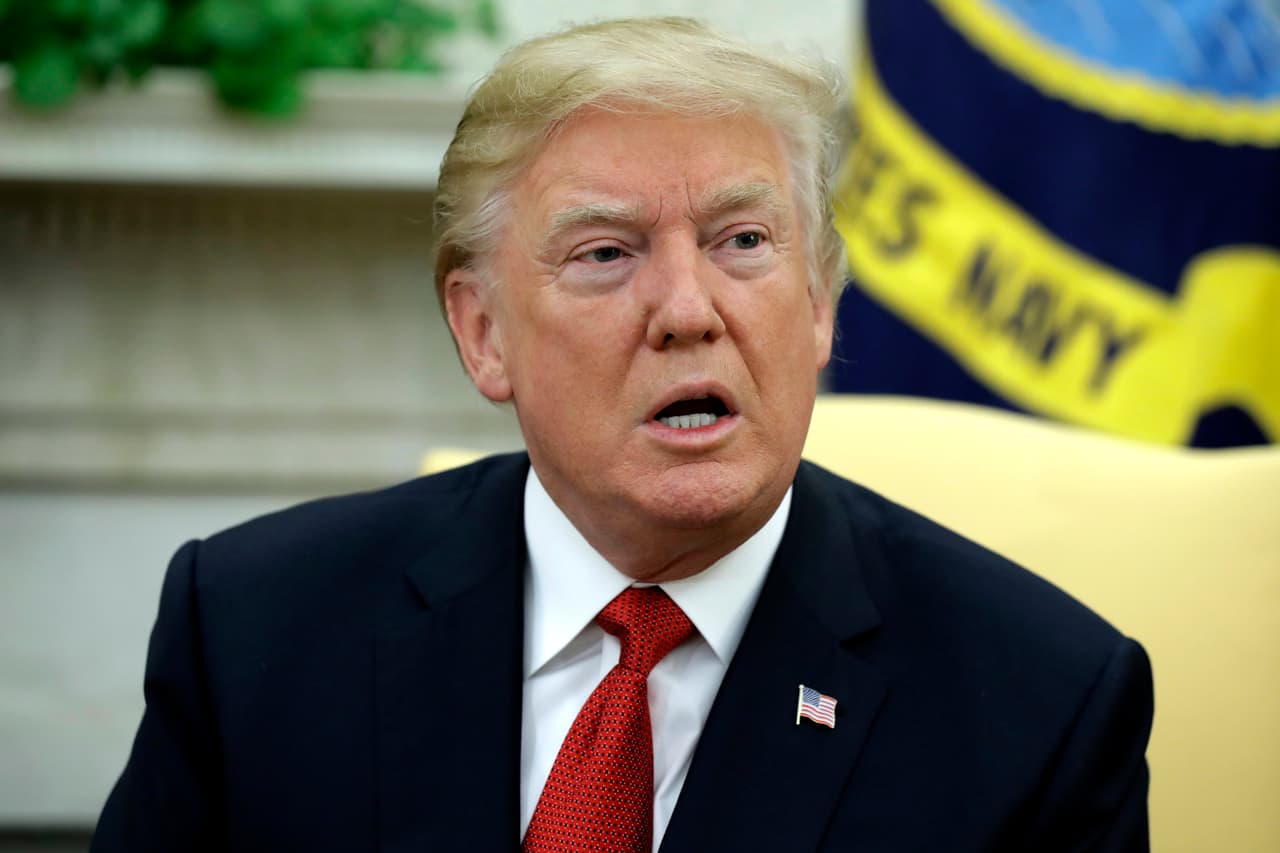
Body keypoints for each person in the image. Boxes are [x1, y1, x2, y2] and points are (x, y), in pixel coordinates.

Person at [91, 17, 1153, 853]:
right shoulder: (252, 631)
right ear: (482, 331)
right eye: (604, 253)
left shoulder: (1039, 703)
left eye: (742, 240)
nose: (687, 308)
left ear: (821, 303)